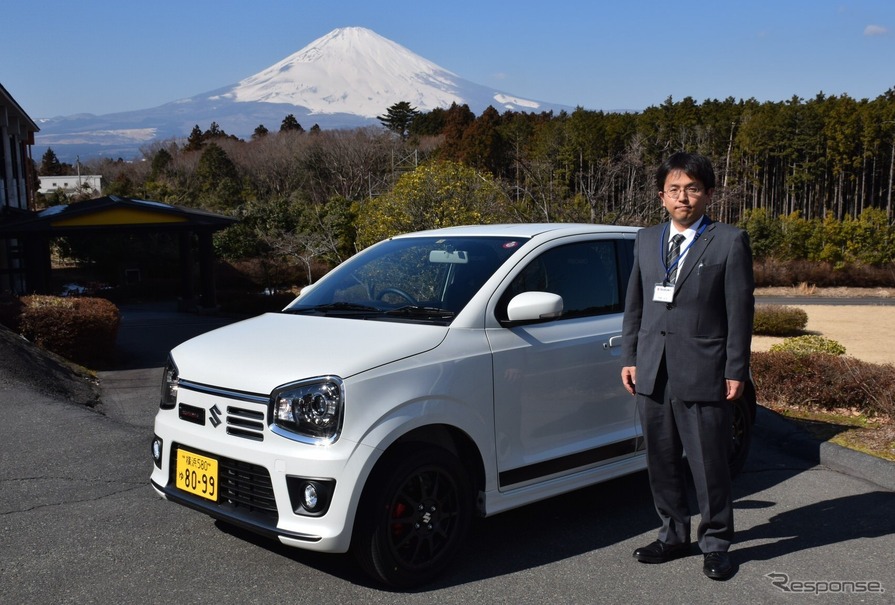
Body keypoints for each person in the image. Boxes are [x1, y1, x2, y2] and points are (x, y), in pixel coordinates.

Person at [620, 152, 754, 581]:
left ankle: (715, 543)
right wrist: (630, 358)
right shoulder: (645, 239)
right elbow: (634, 306)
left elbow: (739, 312)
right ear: (662, 196)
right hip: (652, 370)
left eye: (693, 188)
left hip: (704, 369)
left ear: (708, 194)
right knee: (660, 460)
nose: (684, 197)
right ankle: (672, 534)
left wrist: (735, 368)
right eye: (675, 189)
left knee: (708, 463)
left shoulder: (729, 241)